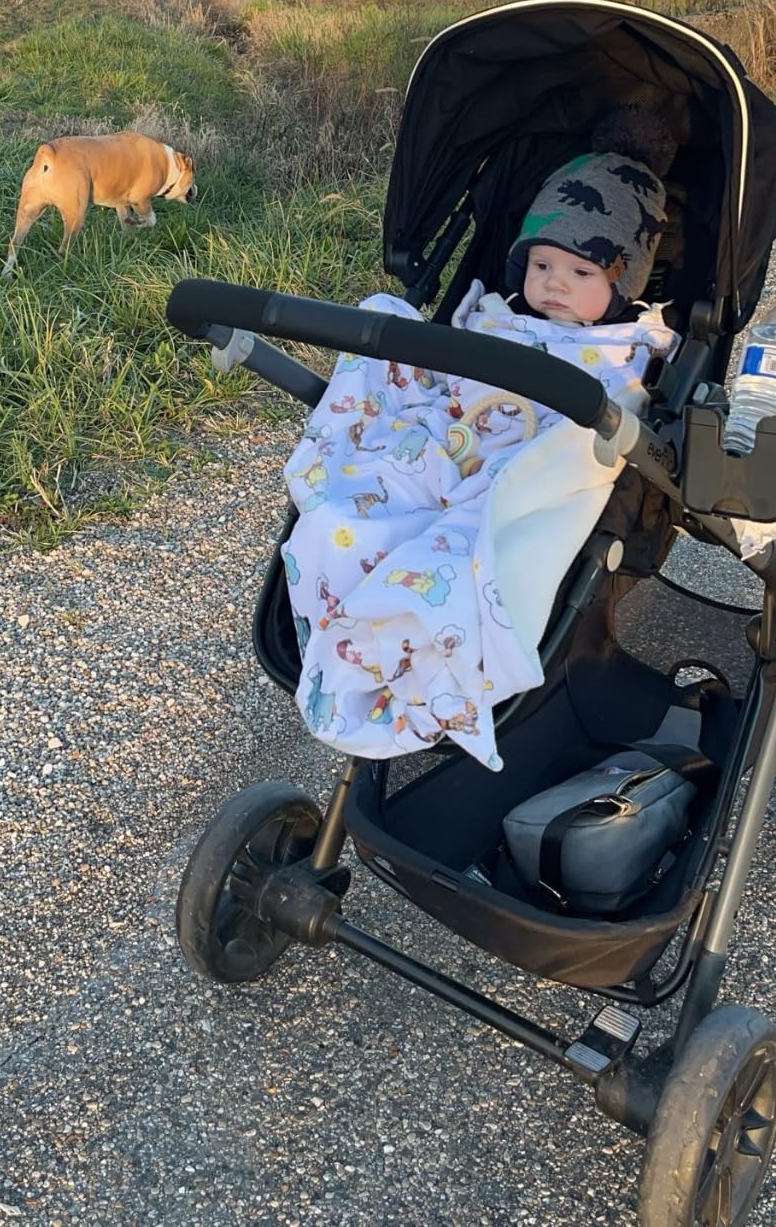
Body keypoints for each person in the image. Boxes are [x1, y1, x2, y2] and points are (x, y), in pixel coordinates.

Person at [282, 108, 680, 771]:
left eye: (581, 273)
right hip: (445, 447)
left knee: (454, 555)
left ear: (622, 281)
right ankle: (355, 598)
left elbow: (614, 417)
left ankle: (403, 627)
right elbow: (441, 377)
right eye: (543, 262)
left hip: (512, 474)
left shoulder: (621, 348)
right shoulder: (497, 317)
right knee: (380, 348)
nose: (554, 281)